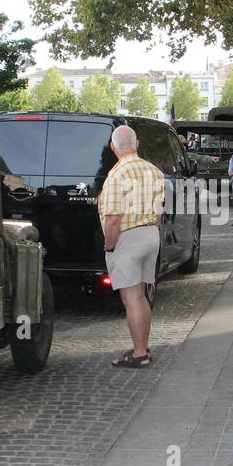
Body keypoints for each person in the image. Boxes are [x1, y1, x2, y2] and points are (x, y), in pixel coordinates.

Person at [97, 124, 163, 368]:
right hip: (150, 235)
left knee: (131, 298)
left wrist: (109, 246)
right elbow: (158, 214)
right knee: (141, 296)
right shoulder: (154, 171)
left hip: (128, 239)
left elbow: (113, 218)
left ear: (113, 147)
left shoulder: (117, 175)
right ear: (137, 144)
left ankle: (139, 354)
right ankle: (143, 347)